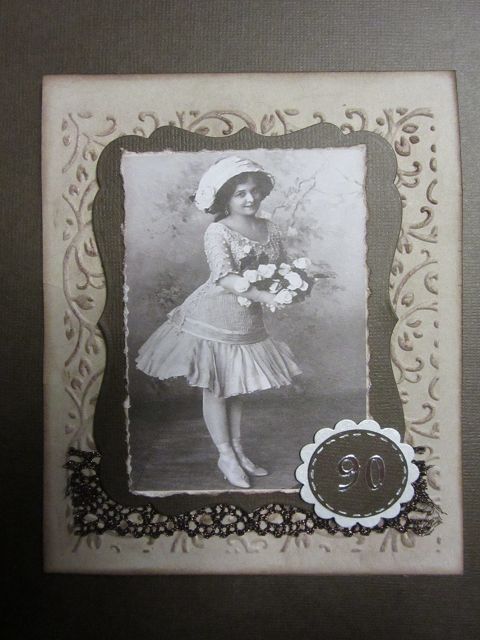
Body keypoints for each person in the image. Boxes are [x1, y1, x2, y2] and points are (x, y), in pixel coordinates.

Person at [136, 156, 301, 488]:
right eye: (241, 193)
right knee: (216, 387)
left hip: (246, 320)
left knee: (235, 386)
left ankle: (237, 451)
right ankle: (225, 455)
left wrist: (294, 282)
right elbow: (224, 277)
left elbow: (281, 266)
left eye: (254, 191)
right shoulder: (218, 231)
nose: (250, 198)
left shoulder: (270, 228)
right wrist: (266, 296)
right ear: (226, 198)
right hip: (214, 316)